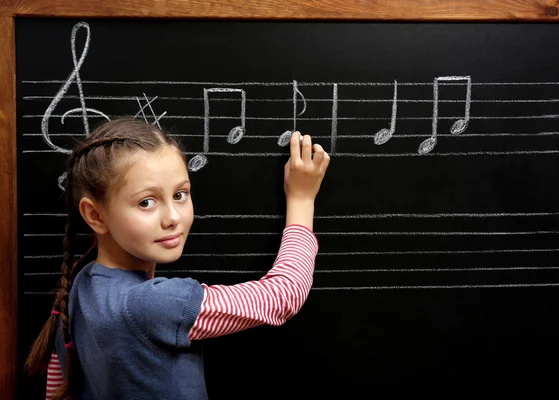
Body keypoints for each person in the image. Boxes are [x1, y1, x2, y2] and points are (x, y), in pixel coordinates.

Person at [24, 118, 330, 400]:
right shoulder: (157, 305)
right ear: (95, 214)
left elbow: (60, 381)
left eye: (181, 194)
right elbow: (282, 296)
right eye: (146, 202)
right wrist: (302, 200)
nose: (173, 217)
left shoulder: (82, 282)